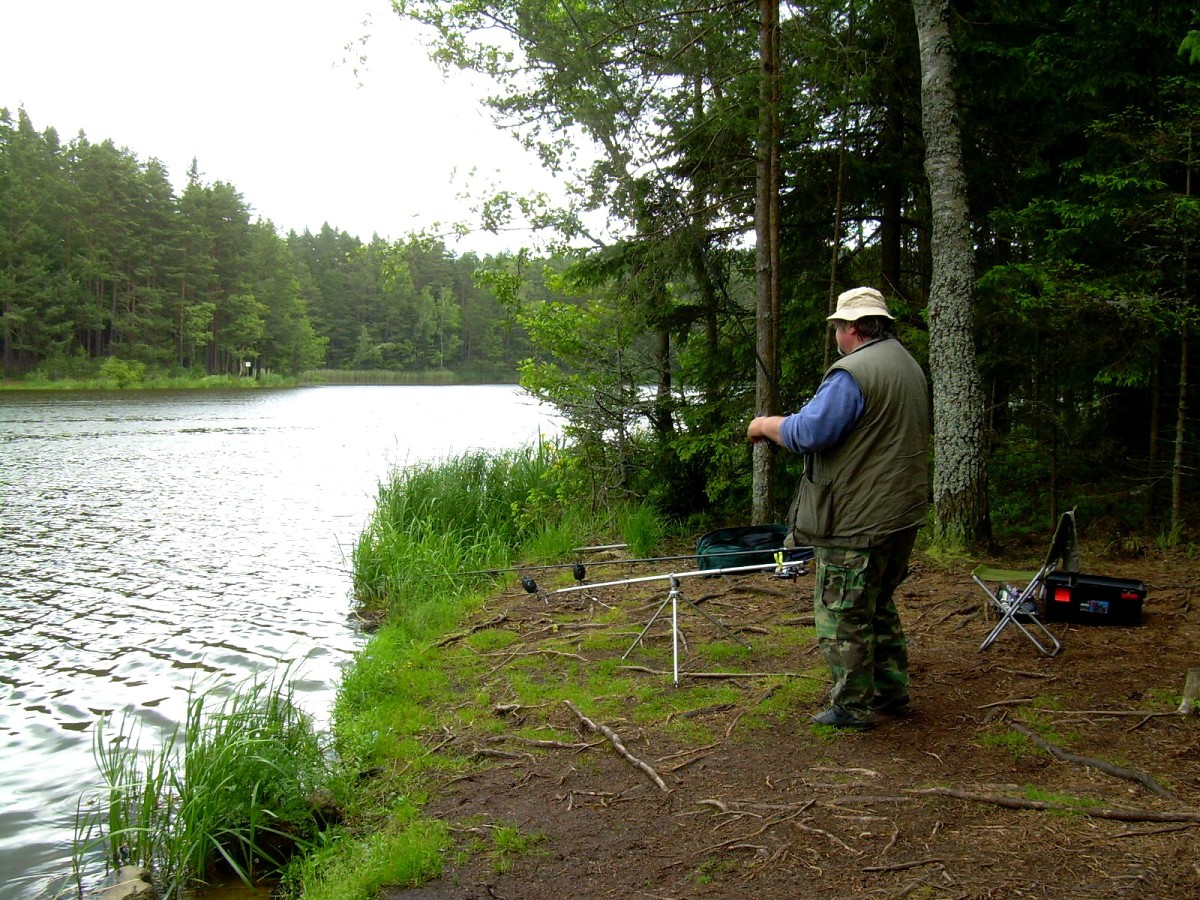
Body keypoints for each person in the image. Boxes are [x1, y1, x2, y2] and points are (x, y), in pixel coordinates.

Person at [747, 286, 930, 730]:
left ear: (850, 327)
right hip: (900, 513)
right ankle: (890, 692)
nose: (836, 335)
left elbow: (810, 432)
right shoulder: (906, 363)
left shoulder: (852, 372)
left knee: (843, 612)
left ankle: (852, 707)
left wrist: (766, 424)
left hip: (857, 518)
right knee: (878, 602)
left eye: (837, 327)